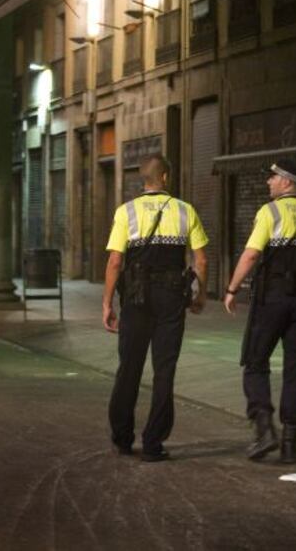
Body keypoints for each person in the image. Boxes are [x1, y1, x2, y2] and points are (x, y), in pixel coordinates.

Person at [224, 158, 296, 463]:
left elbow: (251, 254)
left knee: (255, 361)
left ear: (287, 182)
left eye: (273, 178)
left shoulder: (269, 212)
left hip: (271, 299)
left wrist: (232, 289)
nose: (269, 183)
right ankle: (289, 445)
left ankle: (263, 428)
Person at [102, 154, 208, 462]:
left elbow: (115, 261)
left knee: (129, 368)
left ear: (144, 180)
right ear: (165, 178)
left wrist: (108, 302)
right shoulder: (185, 211)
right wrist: (199, 294)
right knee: (165, 369)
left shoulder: (126, 212)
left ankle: (122, 438)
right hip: (172, 297)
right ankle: (153, 443)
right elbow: (200, 259)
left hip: (135, 297)